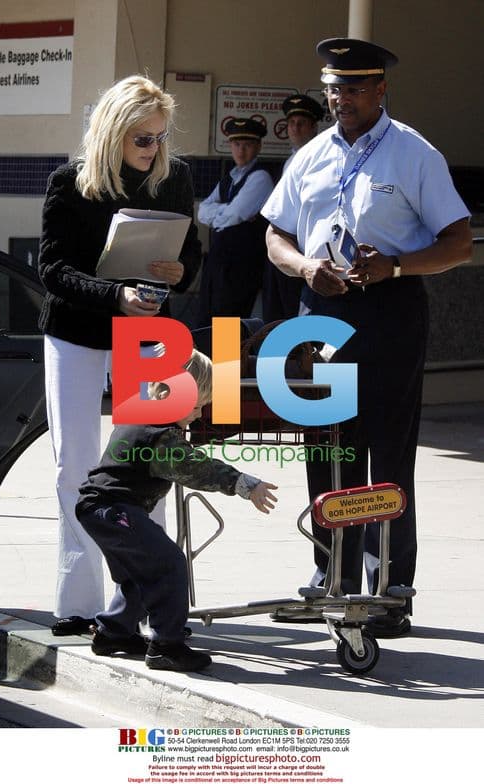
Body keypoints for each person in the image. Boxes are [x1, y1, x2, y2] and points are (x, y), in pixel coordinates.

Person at [261, 38, 472, 637]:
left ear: (381, 90)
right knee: (328, 449)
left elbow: (457, 243)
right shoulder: (308, 156)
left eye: (354, 88)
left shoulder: (413, 154)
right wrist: (304, 267)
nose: (340, 99)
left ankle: (387, 590)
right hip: (320, 315)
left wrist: (398, 266)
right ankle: (332, 576)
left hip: (389, 311)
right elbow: (274, 236)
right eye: (333, 88)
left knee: (385, 452)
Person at [38, 75, 201, 636]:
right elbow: (52, 270)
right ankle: (78, 603)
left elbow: (193, 254)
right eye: (142, 139)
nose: (154, 150)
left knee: (149, 466)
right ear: (112, 133)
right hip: (77, 333)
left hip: (149, 335)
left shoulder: (173, 179)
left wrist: (181, 274)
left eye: (159, 137)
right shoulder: (69, 183)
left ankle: (145, 606)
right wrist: (116, 295)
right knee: (77, 466)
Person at [75, 349, 278, 672]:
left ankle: (113, 632)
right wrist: (243, 483)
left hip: (100, 508)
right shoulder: (159, 435)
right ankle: (166, 645)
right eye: (198, 406)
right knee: (168, 564)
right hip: (113, 509)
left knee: (138, 573)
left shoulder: (144, 415)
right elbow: (196, 469)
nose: (199, 414)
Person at [195, 118, 274, 328]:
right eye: (236, 144)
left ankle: (227, 362)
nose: (241, 150)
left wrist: (223, 211)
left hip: (241, 266)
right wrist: (226, 210)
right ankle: (211, 361)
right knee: (209, 318)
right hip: (219, 263)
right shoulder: (229, 177)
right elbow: (202, 211)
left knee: (229, 322)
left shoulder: (260, 178)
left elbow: (235, 215)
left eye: (247, 145)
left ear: (258, 146)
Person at [263, 94, 325, 323]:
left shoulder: (318, 158)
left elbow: (236, 213)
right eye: (291, 123)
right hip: (278, 250)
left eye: (302, 123)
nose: (295, 129)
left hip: (299, 251)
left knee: (293, 317)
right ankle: (232, 360)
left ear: (314, 127)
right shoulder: (291, 160)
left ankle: (294, 359)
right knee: (275, 316)